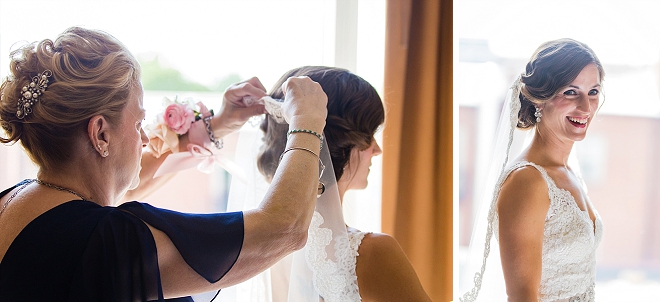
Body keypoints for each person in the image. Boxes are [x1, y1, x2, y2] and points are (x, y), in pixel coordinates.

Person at [0, 27, 328, 301]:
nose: (144, 139)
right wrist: (307, 123)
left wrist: (216, 125)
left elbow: (128, 180)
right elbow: (281, 230)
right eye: (138, 122)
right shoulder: (107, 240)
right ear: (100, 133)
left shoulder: (16, 202)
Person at [220, 66, 431, 301]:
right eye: (369, 136)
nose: (377, 150)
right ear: (340, 144)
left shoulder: (254, 247)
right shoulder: (371, 254)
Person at [460, 39, 604, 302]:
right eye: (571, 92)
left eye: (593, 92)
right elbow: (521, 296)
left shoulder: (567, 171)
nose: (585, 107)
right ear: (540, 99)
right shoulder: (528, 181)